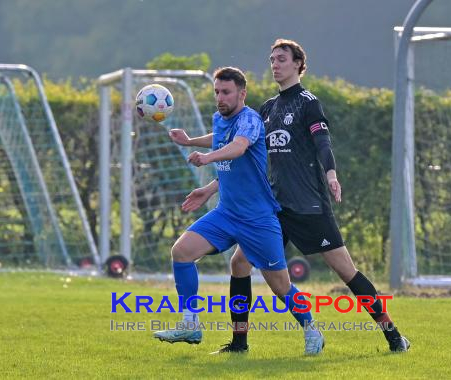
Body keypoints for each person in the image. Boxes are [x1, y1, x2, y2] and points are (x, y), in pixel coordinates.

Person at [169, 40, 410, 354]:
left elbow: (323, 142)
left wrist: (332, 174)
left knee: (345, 271)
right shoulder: (267, 109)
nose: (275, 64)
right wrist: (212, 186)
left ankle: (393, 336)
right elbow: (247, 158)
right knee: (239, 264)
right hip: (273, 207)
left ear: (298, 64)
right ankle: (239, 343)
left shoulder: (308, 102)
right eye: (272, 59)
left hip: (308, 205)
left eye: (281, 59)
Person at [154, 66, 325, 355]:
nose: (220, 97)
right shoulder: (220, 118)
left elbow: (238, 146)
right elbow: (219, 138)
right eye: (217, 92)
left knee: (281, 287)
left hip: (258, 219)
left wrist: (206, 158)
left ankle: (311, 329)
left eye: (226, 92)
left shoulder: (251, 120)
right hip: (227, 213)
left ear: (242, 93)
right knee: (181, 253)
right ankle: (190, 323)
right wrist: (190, 142)